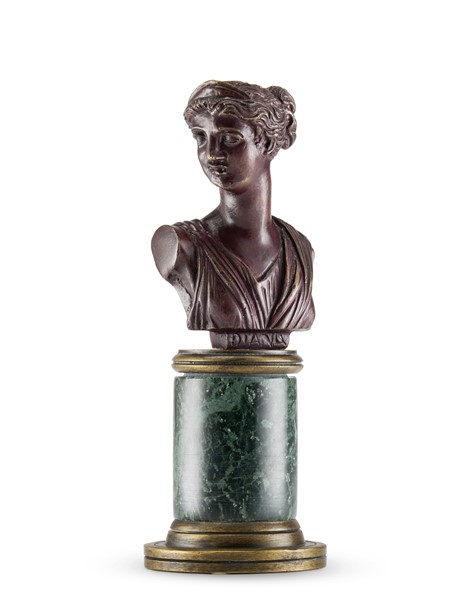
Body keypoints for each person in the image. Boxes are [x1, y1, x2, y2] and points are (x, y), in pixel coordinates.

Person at [151, 80, 315, 350]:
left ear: (267, 142)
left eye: (230, 139)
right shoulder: (181, 245)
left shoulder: (300, 250)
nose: (211, 154)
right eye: (201, 138)